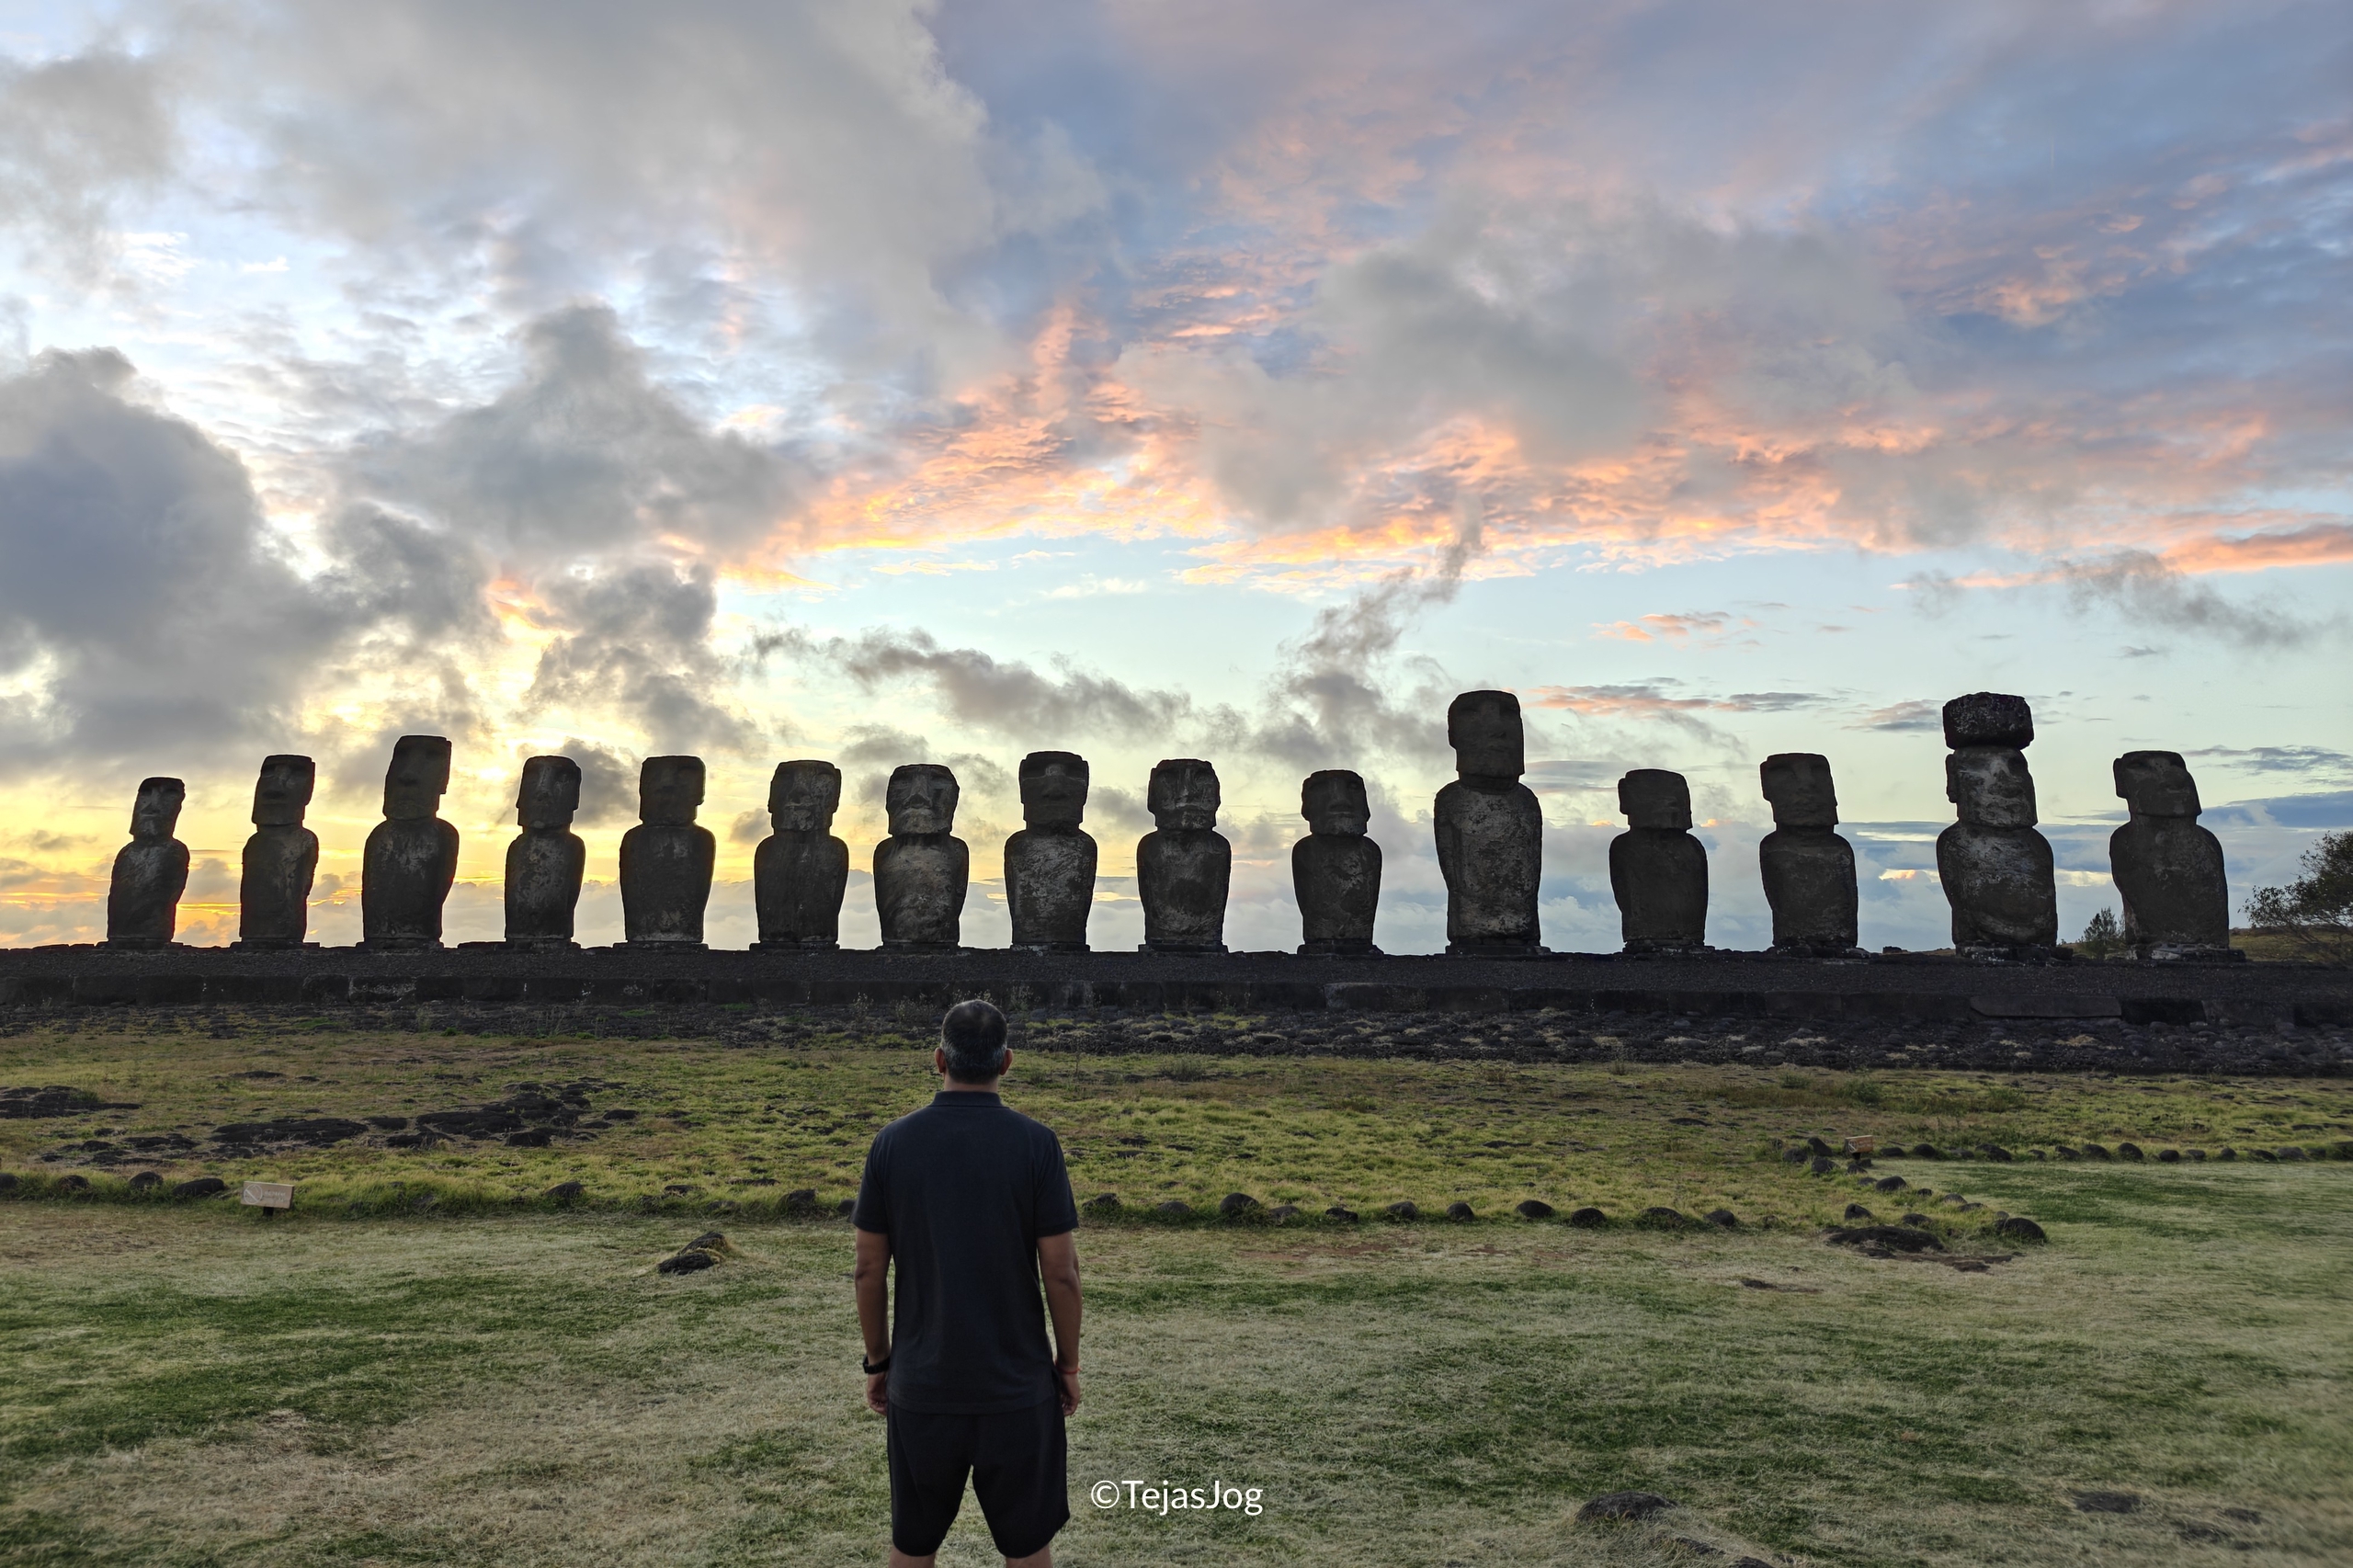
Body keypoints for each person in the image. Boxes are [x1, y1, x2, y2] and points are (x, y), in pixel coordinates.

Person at [854, 999, 1084, 1567]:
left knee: (913, 1542)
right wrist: (1068, 1364)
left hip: (922, 1380)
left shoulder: (892, 1143)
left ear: (939, 1060)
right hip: (1017, 1385)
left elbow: (867, 1269)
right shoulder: (1036, 1144)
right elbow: (1061, 1271)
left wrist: (880, 1363)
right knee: (1028, 1546)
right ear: (1007, 1062)